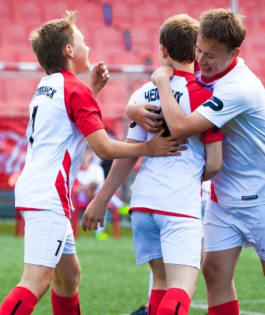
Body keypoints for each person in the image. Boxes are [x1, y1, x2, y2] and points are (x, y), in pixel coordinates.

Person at [0, 11, 186, 315]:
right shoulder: (74, 90)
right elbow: (103, 149)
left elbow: (66, 124)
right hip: (49, 195)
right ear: (69, 51)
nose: (87, 46)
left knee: (68, 277)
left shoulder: (48, 85)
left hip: (36, 188)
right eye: (81, 41)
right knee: (37, 281)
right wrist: (149, 147)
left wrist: (93, 91)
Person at [127, 8, 265, 315]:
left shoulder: (239, 88)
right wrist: (133, 109)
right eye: (199, 50)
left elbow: (182, 126)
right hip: (222, 196)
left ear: (234, 52)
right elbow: (154, 98)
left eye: (211, 55)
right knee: (214, 273)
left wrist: (160, 83)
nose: (202, 60)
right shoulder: (202, 70)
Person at [82, 14, 223, 315]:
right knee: (181, 287)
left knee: (159, 282)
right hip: (178, 202)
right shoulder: (206, 95)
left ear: (162, 50)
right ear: (197, 51)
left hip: (143, 201)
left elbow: (129, 153)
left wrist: (101, 198)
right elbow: (215, 162)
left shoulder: (142, 93)